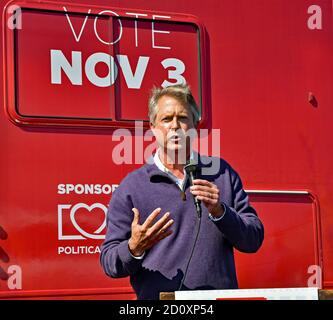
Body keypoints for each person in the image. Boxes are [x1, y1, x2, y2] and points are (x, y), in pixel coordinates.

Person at [100, 83, 264, 300]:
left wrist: (221, 212)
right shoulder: (131, 187)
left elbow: (253, 240)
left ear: (195, 125)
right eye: (166, 119)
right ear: (153, 127)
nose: (175, 126)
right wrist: (134, 248)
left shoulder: (223, 174)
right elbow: (110, 262)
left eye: (183, 118)